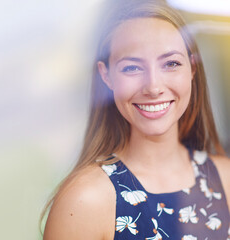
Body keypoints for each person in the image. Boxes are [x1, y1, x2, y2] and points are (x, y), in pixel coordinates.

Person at [42, 0, 230, 239]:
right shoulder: (84, 200)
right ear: (106, 76)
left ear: (192, 69)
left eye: (171, 64)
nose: (153, 87)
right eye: (132, 68)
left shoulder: (225, 178)